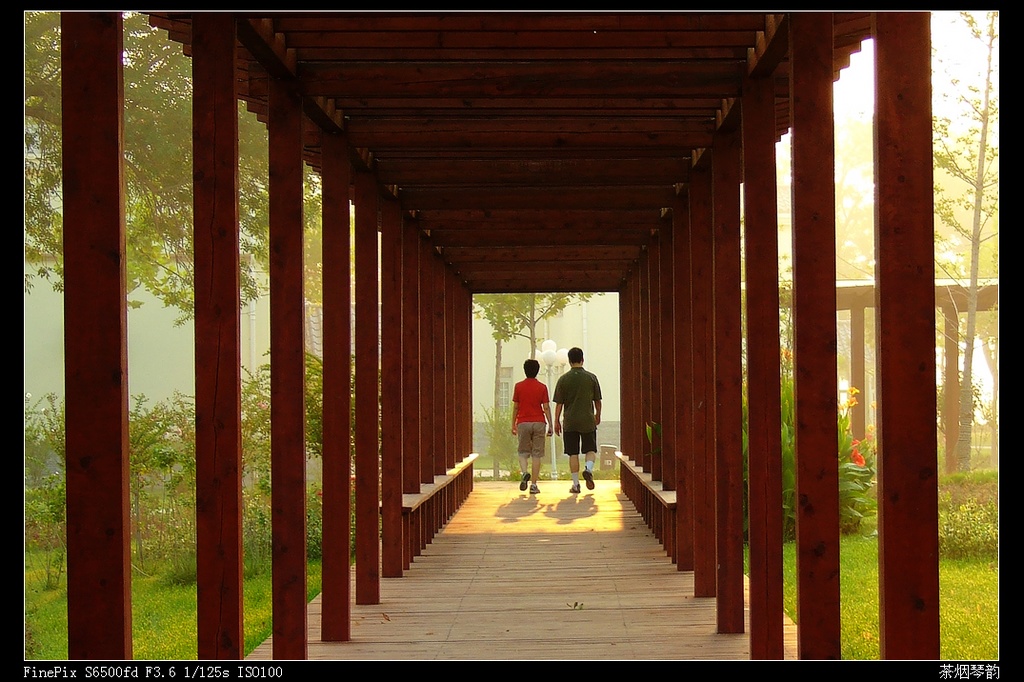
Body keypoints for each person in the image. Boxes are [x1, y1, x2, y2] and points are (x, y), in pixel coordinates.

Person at [553, 347, 602, 494]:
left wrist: (556, 421)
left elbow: (559, 404)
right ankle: (588, 469)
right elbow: (597, 400)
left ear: (569, 361)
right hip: (587, 420)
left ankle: (576, 484)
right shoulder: (591, 378)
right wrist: (598, 415)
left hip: (570, 421)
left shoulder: (563, 379)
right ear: (582, 359)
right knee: (590, 449)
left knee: (572, 453)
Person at [510, 358, 553, 494]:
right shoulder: (542, 387)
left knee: (522, 452)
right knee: (536, 454)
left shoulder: (518, 386)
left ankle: (524, 473)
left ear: (525, 370)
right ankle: (534, 485)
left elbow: (516, 407)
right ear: (537, 371)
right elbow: (546, 407)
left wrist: (513, 424)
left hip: (523, 422)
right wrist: (551, 425)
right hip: (539, 422)